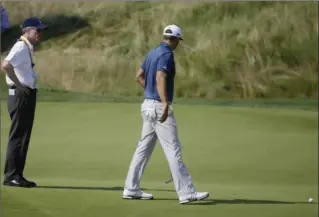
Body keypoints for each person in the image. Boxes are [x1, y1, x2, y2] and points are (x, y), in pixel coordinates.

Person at [122, 24, 209, 204]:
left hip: (147, 105)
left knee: (143, 149)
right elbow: (160, 76)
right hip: (159, 107)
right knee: (173, 150)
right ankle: (186, 193)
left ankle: (131, 188)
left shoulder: (153, 52)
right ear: (176, 39)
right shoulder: (167, 54)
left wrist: (150, 93)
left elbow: (139, 76)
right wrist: (162, 102)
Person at [1, 17, 47, 188]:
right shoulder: (21, 46)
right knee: (18, 137)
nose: (40, 34)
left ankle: (17, 174)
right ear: (27, 30)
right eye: (37, 31)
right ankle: (12, 175)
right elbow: (5, 65)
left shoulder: (27, 47)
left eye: (41, 31)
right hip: (20, 95)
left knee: (23, 136)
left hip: (25, 95)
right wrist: (19, 85)